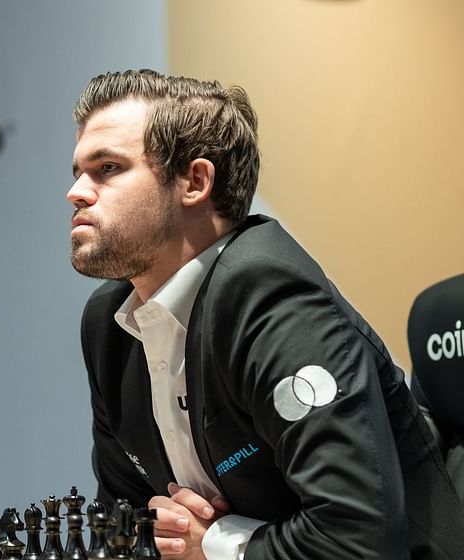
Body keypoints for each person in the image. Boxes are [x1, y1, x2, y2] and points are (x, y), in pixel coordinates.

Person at [68, 69, 464, 559]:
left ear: (194, 181)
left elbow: (357, 541)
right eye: (78, 172)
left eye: (107, 168)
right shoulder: (109, 322)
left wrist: (213, 542)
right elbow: (126, 525)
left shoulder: (269, 295)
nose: (78, 192)